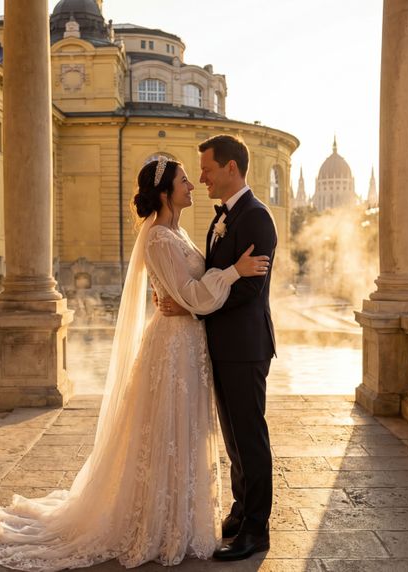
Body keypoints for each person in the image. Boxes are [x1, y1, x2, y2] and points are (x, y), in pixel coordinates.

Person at [0, 156, 270, 571]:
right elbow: (194, 295)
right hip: (172, 347)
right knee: (167, 428)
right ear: (166, 191)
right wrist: (234, 273)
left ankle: (179, 518)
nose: (192, 185)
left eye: (193, 177)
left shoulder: (179, 232)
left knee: (182, 428)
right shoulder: (158, 238)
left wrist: (189, 295)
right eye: (185, 181)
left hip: (188, 343)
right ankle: (156, 521)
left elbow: (185, 294)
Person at [159, 134, 277, 561]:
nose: (202, 178)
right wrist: (189, 300)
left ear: (231, 168)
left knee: (249, 436)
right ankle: (241, 510)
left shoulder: (257, 218)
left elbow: (247, 288)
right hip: (221, 346)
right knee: (233, 439)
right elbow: (212, 275)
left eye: (207, 169)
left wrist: (193, 310)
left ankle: (256, 530)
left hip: (245, 346)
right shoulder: (220, 219)